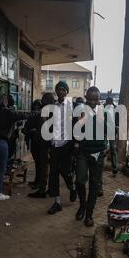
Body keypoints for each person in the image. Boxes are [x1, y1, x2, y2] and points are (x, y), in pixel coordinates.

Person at [0, 95, 30, 201]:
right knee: (1, 168)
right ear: (3, 102)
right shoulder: (7, 112)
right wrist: (38, 113)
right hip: (1, 143)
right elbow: (22, 115)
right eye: (5, 100)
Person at [75, 87, 110, 227]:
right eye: (90, 99)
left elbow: (110, 131)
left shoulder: (104, 113)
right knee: (79, 181)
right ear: (86, 97)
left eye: (96, 99)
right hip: (84, 151)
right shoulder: (80, 112)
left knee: (94, 185)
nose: (93, 102)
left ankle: (89, 214)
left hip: (98, 153)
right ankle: (82, 206)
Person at [47, 82, 77, 214]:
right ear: (56, 91)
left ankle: (72, 187)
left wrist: (75, 144)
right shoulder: (52, 107)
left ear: (67, 92)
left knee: (66, 171)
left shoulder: (72, 107)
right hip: (54, 145)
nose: (61, 91)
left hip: (66, 145)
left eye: (63, 89)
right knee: (53, 173)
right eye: (59, 89)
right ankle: (57, 202)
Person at [28, 93, 55, 198]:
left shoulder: (46, 111)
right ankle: (48, 188)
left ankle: (42, 190)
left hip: (45, 143)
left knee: (44, 166)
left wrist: (36, 133)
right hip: (51, 143)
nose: (42, 101)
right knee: (48, 167)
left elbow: (44, 128)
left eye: (44, 99)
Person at [22, 99, 43, 188]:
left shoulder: (42, 116)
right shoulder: (32, 116)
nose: (36, 108)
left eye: (38, 106)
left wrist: (34, 131)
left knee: (40, 163)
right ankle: (37, 181)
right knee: (37, 163)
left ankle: (39, 182)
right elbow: (25, 128)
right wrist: (29, 131)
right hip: (33, 141)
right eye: (35, 106)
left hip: (40, 142)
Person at [104, 97, 119, 175]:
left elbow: (117, 120)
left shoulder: (115, 109)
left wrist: (116, 126)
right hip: (105, 131)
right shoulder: (103, 109)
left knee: (113, 149)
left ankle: (114, 168)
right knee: (107, 148)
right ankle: (102, 166)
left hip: (112, 132)